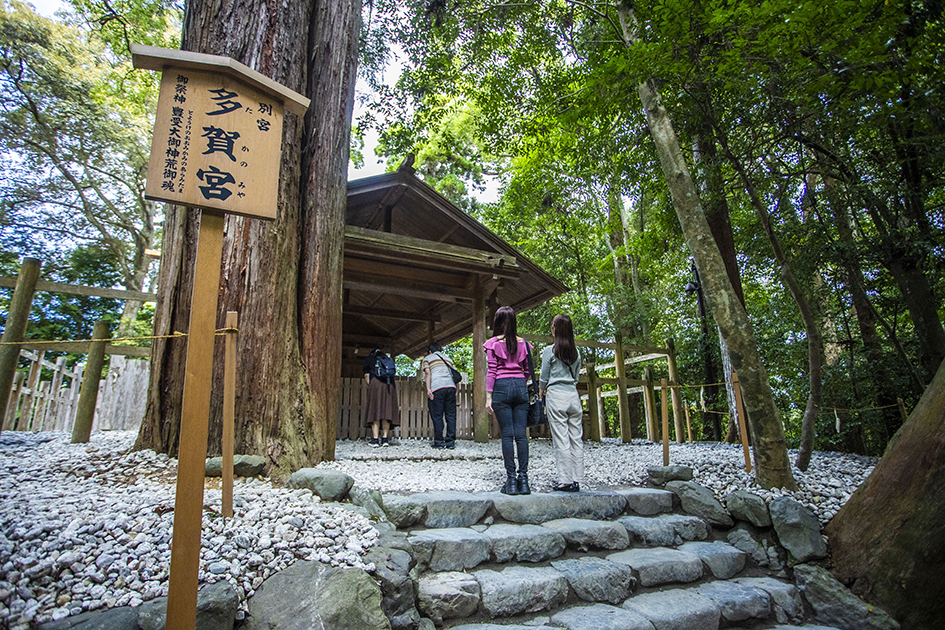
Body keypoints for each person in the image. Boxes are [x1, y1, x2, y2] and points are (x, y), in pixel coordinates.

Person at [484, 306, 532, 495]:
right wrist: (520, 381)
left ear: (497, 322)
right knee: (521, 435)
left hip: (501, 387)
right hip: (520, 385)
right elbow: (527, 370)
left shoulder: (492, 343)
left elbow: (492, 371)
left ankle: (511, 482)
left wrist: (489, 396)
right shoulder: (525, 344)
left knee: (507, 435)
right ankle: (524, 480)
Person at [540, 314, 583, 492]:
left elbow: (544, 376)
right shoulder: (576, 352)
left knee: (561, 439)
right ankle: (577, 479)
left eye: (552, 325)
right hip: (573, 395)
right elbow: (577, 375)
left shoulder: (549, 351)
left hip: (556, 395)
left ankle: (565, 480)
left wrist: (542, 389)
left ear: (555, 329)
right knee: (576, 438)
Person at [422, 343, 458, 449]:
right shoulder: (448, 359)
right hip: (451, 387)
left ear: (430, 351)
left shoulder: (428, 358)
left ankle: (439, 442)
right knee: (451, 416)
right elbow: (455, 374)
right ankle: (450, 442)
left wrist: (428, 389)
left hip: (437, 387)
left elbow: (428, 373)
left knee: (437, 415)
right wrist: (456, 388)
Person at [363, 348, 400, 447]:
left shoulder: (370, 359)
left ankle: (375, 440)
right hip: (389, 385)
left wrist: (371, 386)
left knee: (375, 410)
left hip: (376, 384)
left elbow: (367, 375)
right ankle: (385, 439)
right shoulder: (387, 359)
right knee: (386, 411)